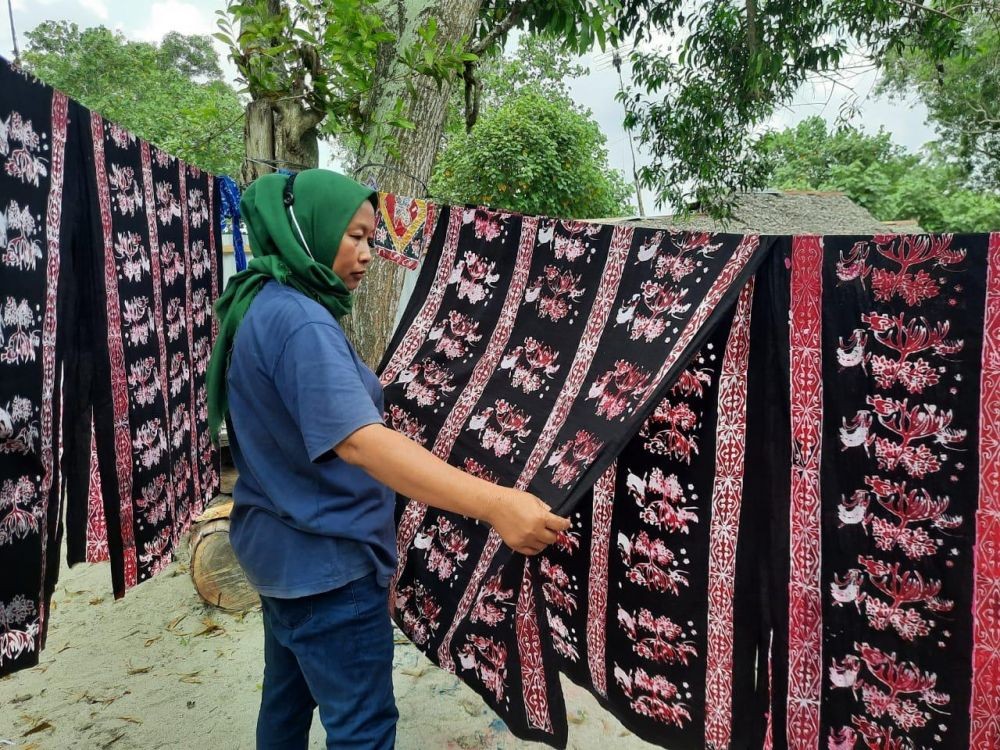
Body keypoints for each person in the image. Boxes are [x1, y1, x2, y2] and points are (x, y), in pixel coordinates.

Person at [206, 169, 569, 750]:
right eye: (355, 236)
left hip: (279, 554)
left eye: (372, 239)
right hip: (327, 565)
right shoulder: (301, 322)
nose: (369, 254)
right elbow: (359, 442)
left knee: (286, 702)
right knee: (363, 728)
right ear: (308, 229)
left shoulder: (260, 304)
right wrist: (497, 504)